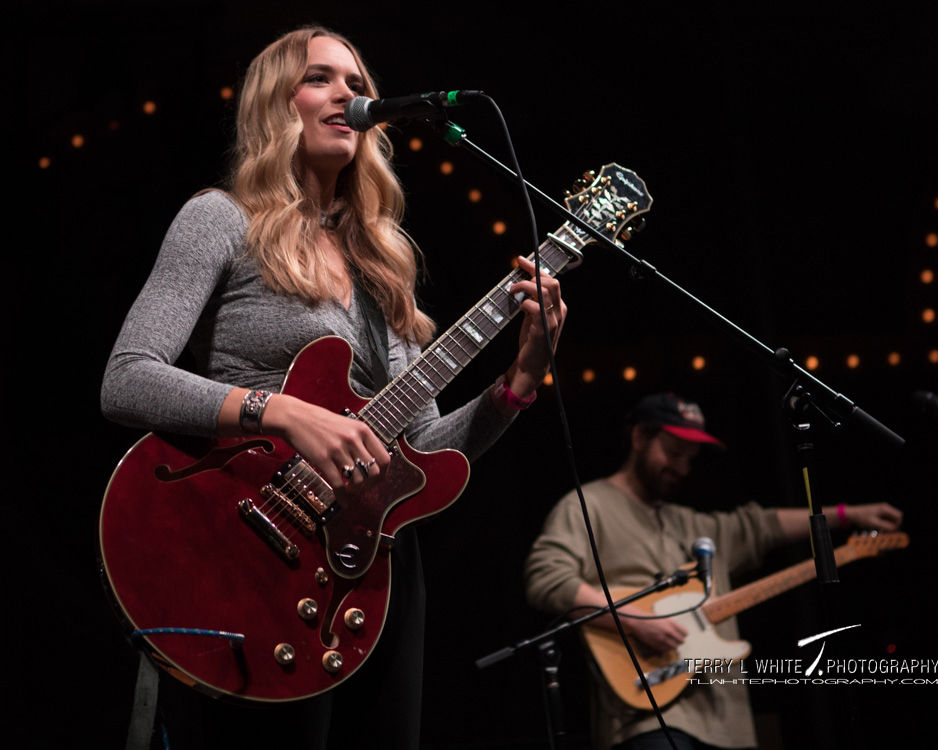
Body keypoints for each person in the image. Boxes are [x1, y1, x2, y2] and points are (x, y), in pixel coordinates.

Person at [101, 25, 566, 750]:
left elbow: (427, 450)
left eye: (357, 83)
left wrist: (517, 384)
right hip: (247, 547)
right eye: (322, 78)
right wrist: (280, 413)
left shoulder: (387, 266)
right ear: (273, 103)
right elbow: (127, 378)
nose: (349, 94)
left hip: (367, 571)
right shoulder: (220, 220)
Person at [524, 393, 901, 750]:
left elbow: (760, 526)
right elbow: (547, 579)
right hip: (646, 716)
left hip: (727, 723)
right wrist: (637, 621)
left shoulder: (690, 523)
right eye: (673, 453)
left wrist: (846, 515)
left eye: (691, 458)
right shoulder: (589, 506)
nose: (682, 467)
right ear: (639, 436)